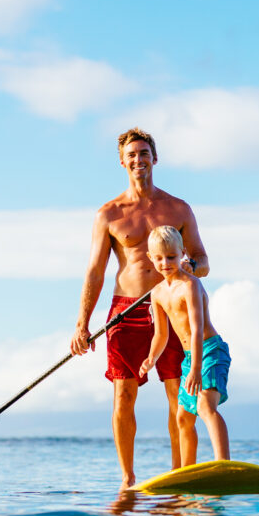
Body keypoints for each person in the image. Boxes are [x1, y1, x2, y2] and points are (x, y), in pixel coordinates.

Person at [70, 128, 209, 490]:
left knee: (179, 393)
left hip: (171, 305)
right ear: (122, 161)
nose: (138, 160)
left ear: (154, 158)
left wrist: (188, 269)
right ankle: (128, 478)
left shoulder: (178, 208)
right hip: (125, 311)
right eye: (131, 155)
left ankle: (180, 473)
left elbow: (203, 260)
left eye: (144, 153)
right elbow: (95, 271)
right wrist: (82, 324)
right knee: (124, 394)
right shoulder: (109, 214)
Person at [139, 226, 230, 467]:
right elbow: (161, 334)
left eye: (171, 256)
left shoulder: (190, 285)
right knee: (182, 418)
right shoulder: (157, 293)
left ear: (183, 253)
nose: (165, 262)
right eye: (159, 258)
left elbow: (197, 328)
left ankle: (223, 464)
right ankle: (187, 471)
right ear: (150, 257)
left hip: (209, 351)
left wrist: (197, 368)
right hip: (190, 358)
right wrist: (151, 359)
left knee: (204, 406)